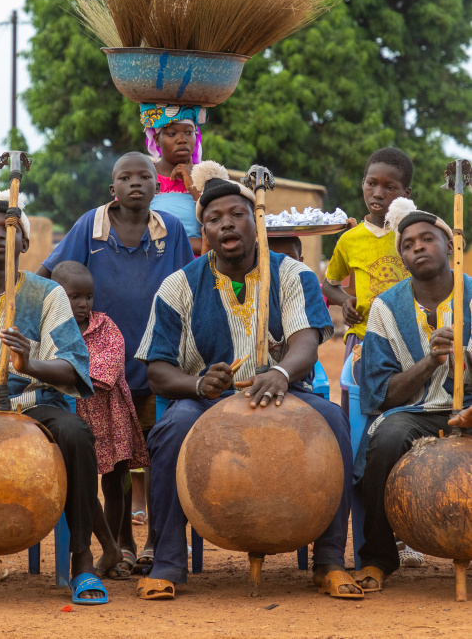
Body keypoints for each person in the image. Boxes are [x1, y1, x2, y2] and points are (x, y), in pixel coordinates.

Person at [135, 165, 360, 600]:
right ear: (204, 231)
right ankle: (167, 563)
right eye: (214, 219)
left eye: (236, 214)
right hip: (209, 402)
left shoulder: (292, 275)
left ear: (255, 222)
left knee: (334, 420)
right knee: (171, 430)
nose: (226, 224)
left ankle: (329, 561)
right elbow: (158, 371)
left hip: (285, 393)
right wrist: (199, 384)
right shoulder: (178, 285)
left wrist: (278, 372)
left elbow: (305, 345)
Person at [37, 151, 195, 572]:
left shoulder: (172, 230)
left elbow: (190, 285)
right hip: (100, 370)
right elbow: (50, 275)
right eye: (125, 177)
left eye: (144, 176)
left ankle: (157, 543)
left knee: (158, 457)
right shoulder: (91, 227)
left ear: (157, 186)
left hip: (158, 364)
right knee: (117, 462)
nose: (135, 183)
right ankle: (122, 539)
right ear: (113, 189)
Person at [0, 193, 108, 604]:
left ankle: (82, 560)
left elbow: (73, 367)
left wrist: (29, 363)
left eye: (8, 229)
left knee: (76, 433)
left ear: (25, 244)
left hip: (30, 403)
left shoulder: (48, 294)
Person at [354, 198, 472, 592]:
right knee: (385, 438)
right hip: (415, 411)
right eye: (407, 244)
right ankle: (378, 557)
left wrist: (464, 359)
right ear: (402, 257)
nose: (417, 247)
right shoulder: (386, 308)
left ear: (452, 245)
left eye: (427, 239)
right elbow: (381, 394)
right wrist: (431, 360)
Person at [52, 260, 150, 578]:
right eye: (74, 297)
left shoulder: (104, 326)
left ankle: (117, 552)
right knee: (82, 482)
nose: (83, 304)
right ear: (56, 295)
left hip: (111, 416)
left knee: (115, 483)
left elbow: (108, 368)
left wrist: (63, 373)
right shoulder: (48, 328)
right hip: (73, 416)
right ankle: (107, 547)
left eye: (88, 297)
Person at [322, 149, 413, 414]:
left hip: (407, 337)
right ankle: (355, 453)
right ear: (363, 183)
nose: (378, 193)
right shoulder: (350, 240)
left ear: (406, 193)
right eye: (371, 183)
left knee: (402, 403)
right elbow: (329, 284)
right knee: (358, 403)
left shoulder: (410, 233)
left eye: (390, 187)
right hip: (362, 337)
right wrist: (345, 301)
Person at [140, 103, 208, 256]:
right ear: (157, 139)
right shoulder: (143, 177)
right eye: (172, 134)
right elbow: (131, 229)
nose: (182, 139)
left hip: (199, 269)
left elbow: (218, 226)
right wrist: (197, 244)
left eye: (189, 132)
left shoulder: (209, 177)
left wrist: (193, 185)